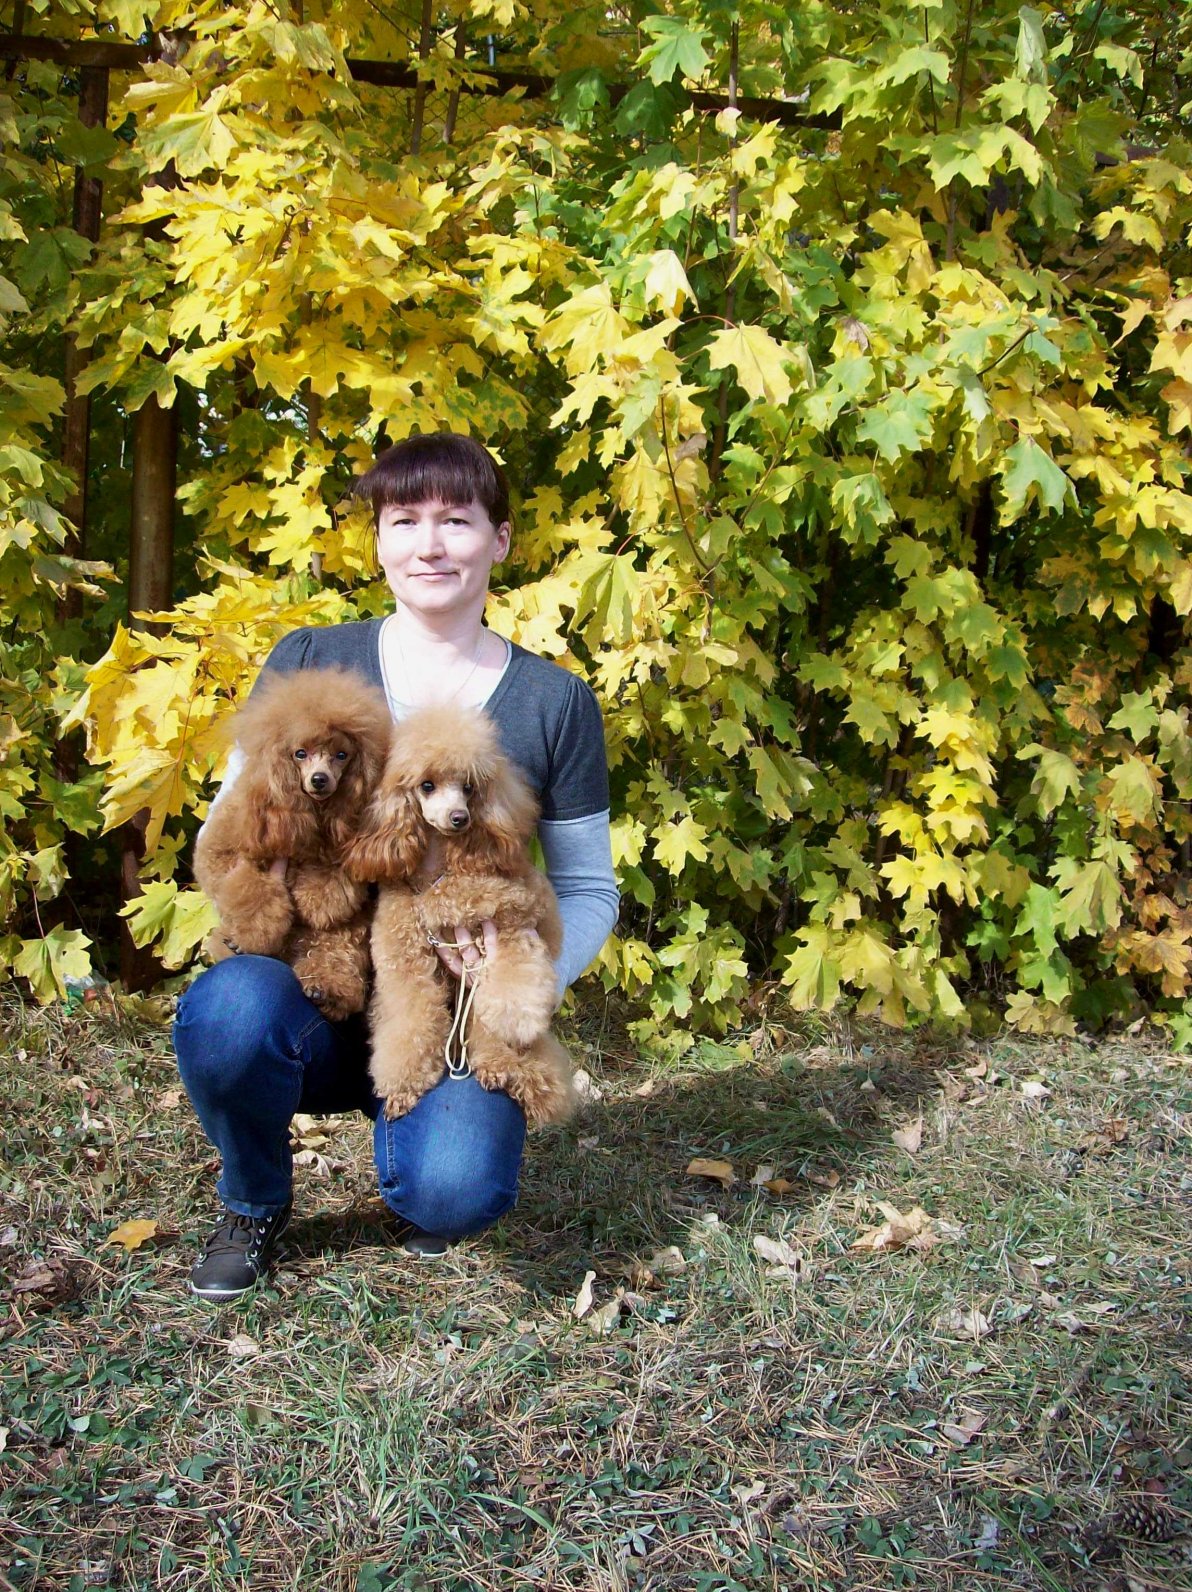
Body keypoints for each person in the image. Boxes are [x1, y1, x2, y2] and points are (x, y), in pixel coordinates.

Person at [174, 432, 618, 1301]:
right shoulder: (309, 658)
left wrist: (518, 973)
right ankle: (254, 1200)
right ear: (378, 540)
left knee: (456, 1192)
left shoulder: (554, 702)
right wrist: (263, 901)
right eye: (404, 520)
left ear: (499, 539)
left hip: (450, 1008)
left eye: (457, 520)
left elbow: (588, 886)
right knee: (227, 1014)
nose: (429, 544)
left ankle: (423, 1145)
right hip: (310, 986)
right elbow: (231, 827)